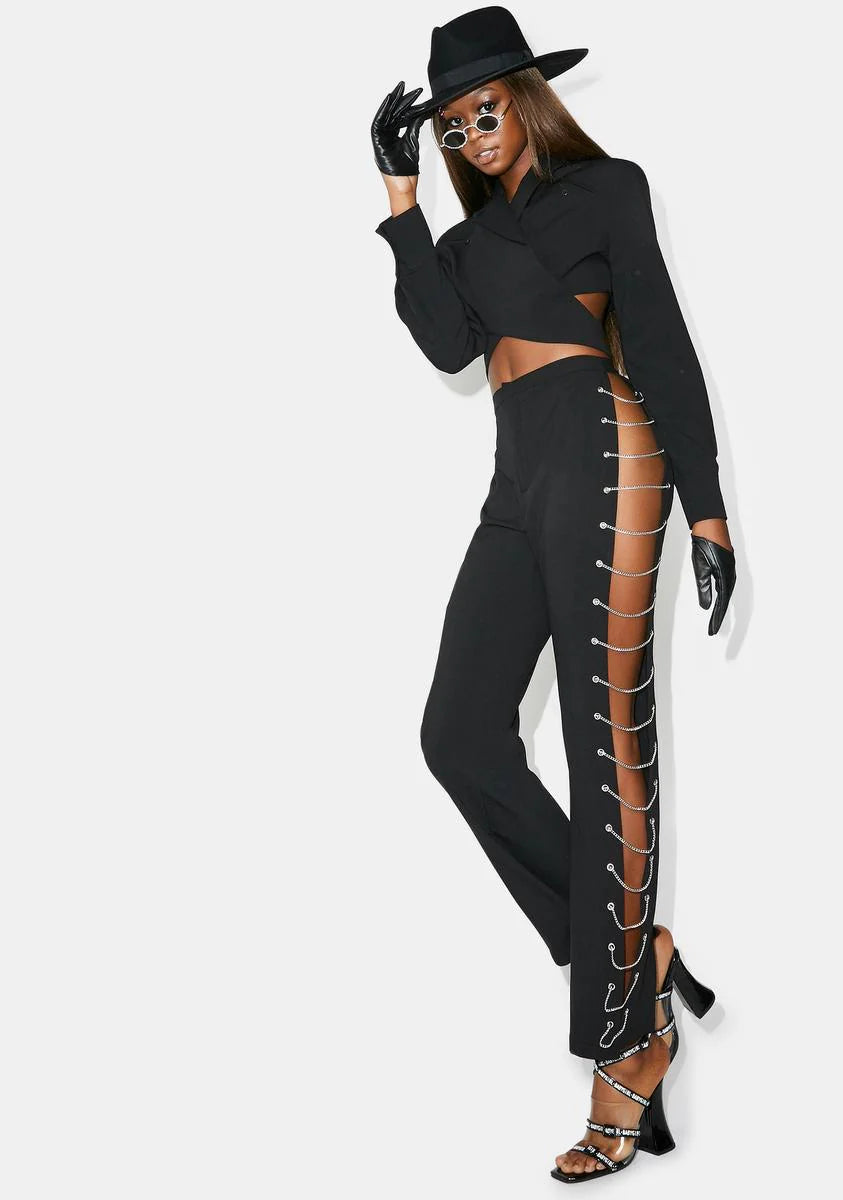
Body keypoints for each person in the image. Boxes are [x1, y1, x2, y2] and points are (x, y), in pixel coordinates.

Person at [371, 6, 736, 1182]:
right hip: (516, 473)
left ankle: (627, 1053)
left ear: (526, 98)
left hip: (608, 452)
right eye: (450, 126)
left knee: (605, 747)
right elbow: (445, 347)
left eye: (485, 109)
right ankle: (637, 957)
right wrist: (401, 204)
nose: (472, 134)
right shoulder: (467, 242)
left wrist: (708, 506)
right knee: (458, 736)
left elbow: (661, 340)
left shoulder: (608, 190)